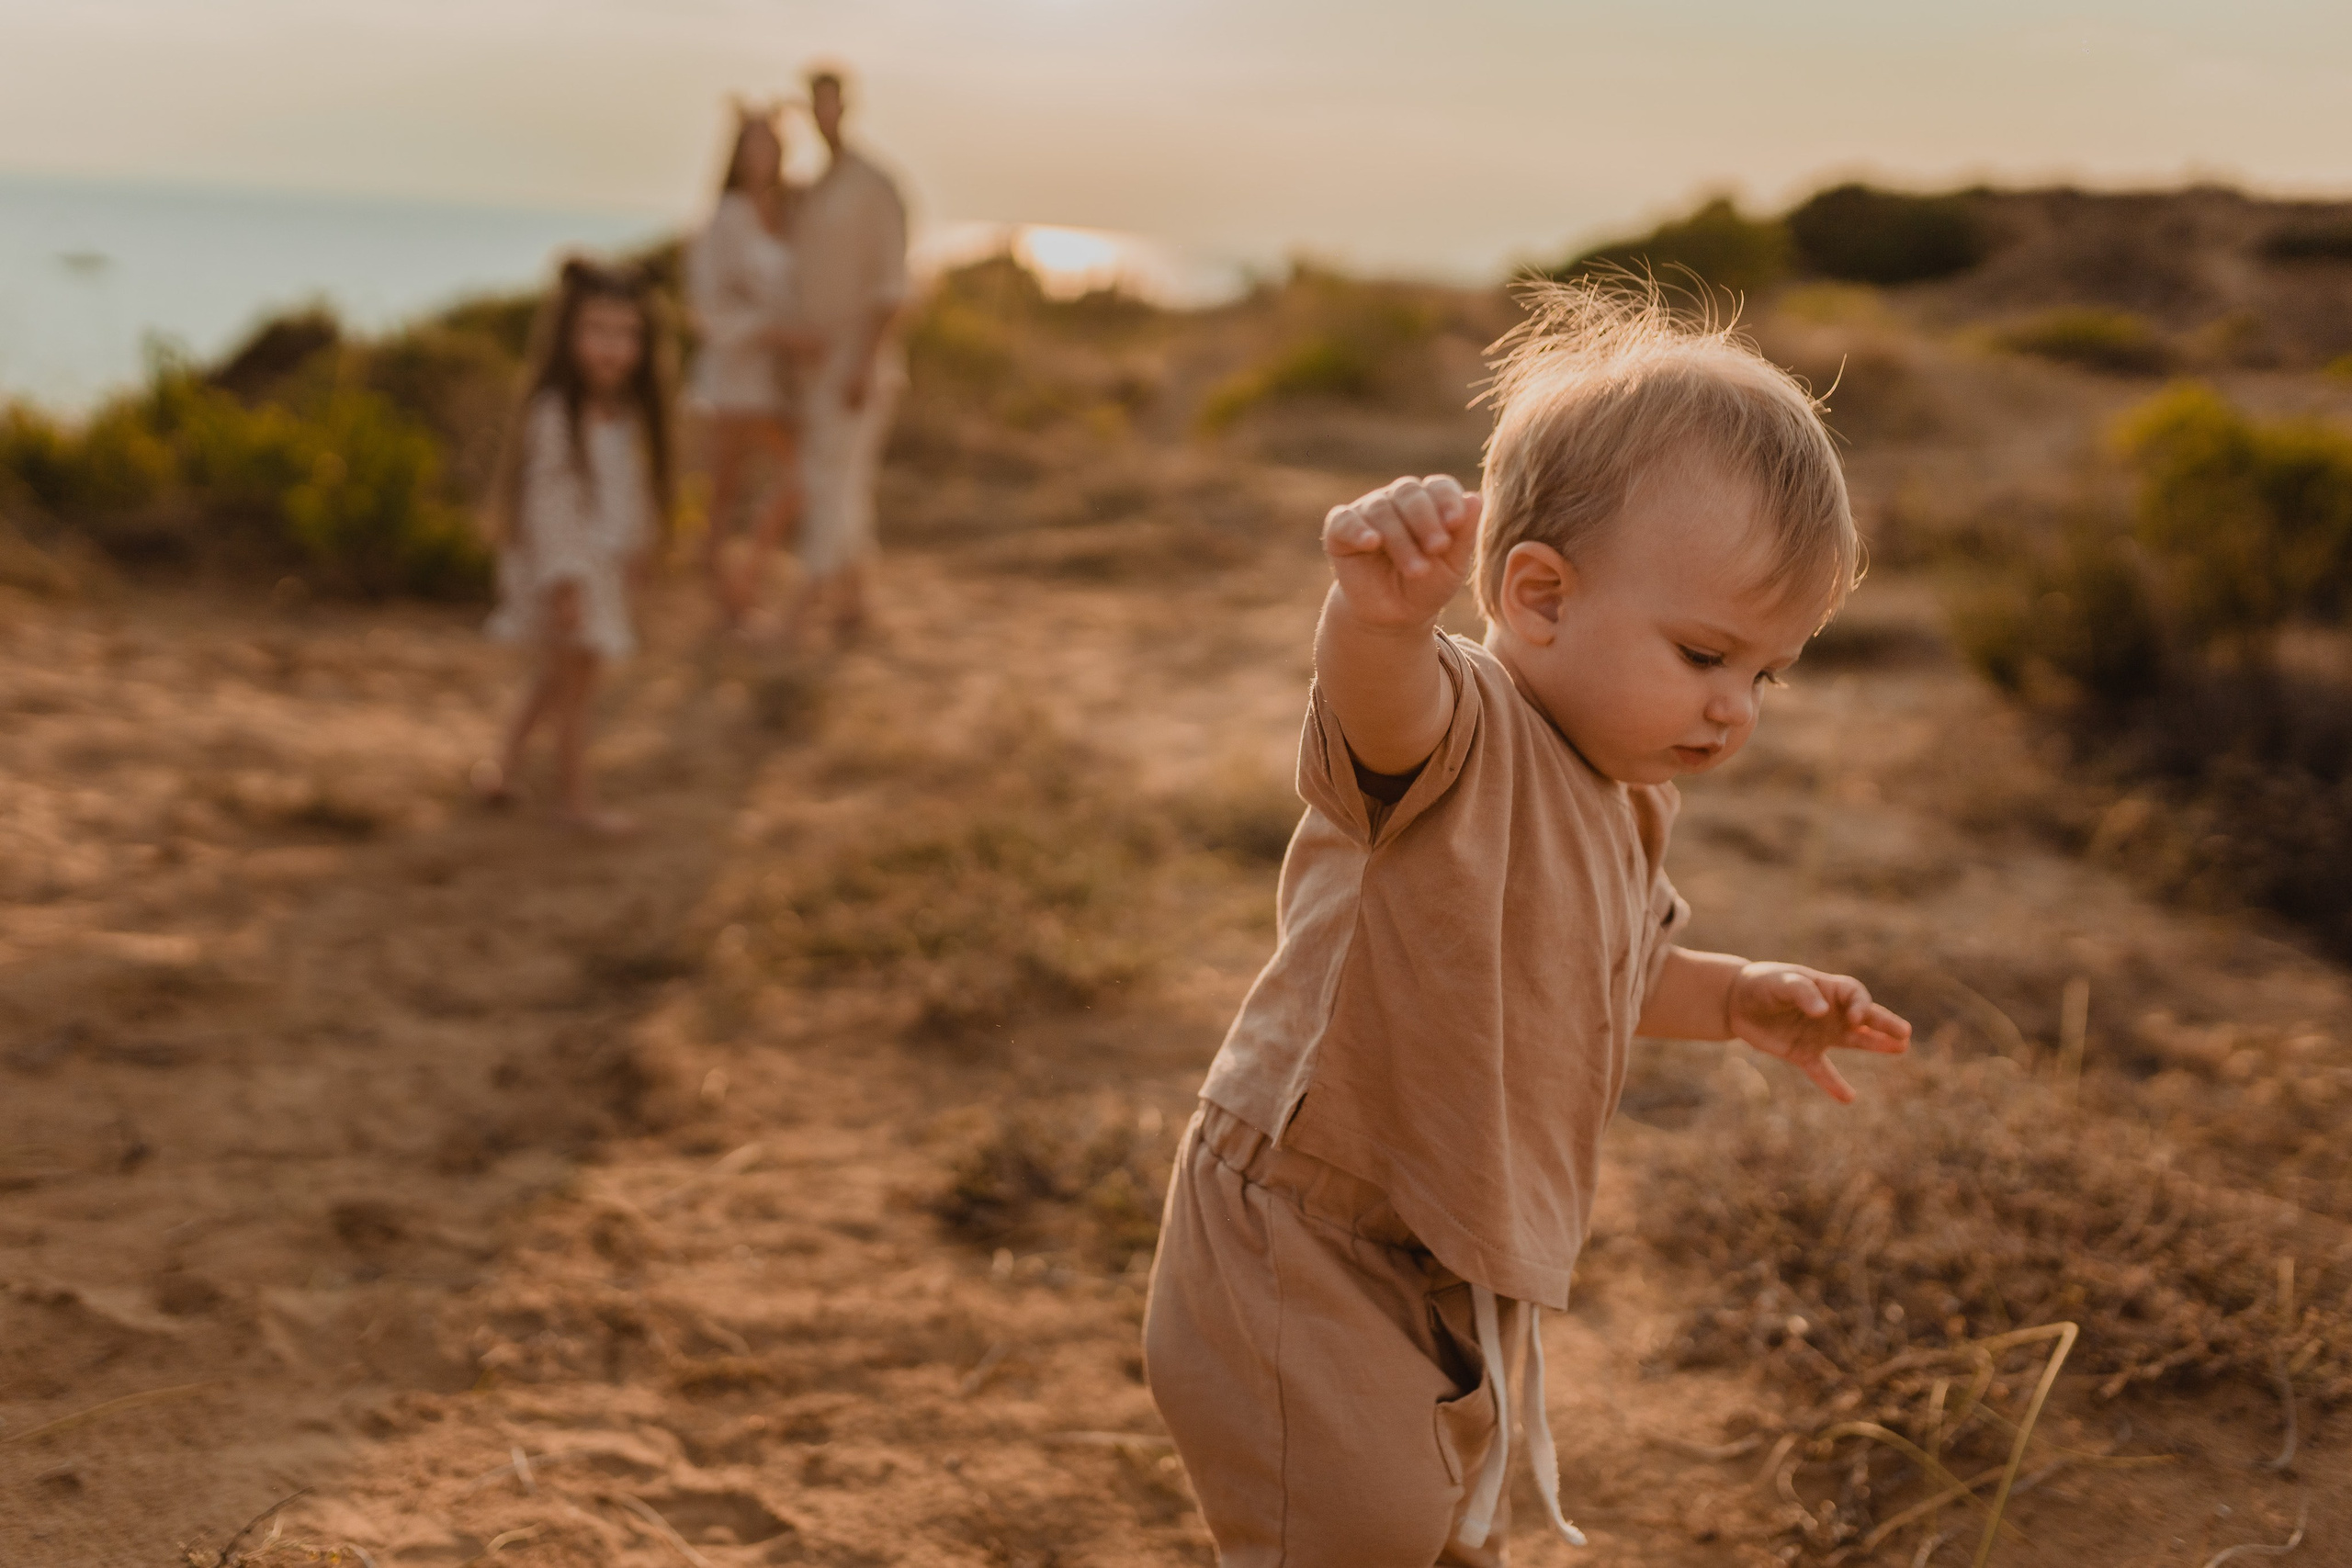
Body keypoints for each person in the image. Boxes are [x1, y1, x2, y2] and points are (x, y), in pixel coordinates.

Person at [1140, 281, 1915, 1566]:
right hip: (1302, 1227)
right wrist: (1382, 614)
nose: (1737, 708)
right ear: (1541, 596)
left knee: (1448, 1519)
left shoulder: (1627, 799)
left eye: (1764, 672)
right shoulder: (1464, 724)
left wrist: (1732, 996)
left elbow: (1612, 968)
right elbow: (1382, 705)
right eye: (1705, 652)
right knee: (1357, 1531)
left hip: (1443, 1242)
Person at [475, 259, 673, 835]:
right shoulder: (555, 414)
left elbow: (628, 491)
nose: (612, 348)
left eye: (627, 334)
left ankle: (502, 766)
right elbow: (548, 503)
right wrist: (564, 580)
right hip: (564, 571)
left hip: (600, 567)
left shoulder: (626, 414)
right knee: (576, 690)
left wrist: (640, 547)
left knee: (555, 680)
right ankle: (574, 799)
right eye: (598, 331)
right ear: (567, 336)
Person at [790, 65, 909, 646]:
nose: (823, 114)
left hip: (856, 359)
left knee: (831, 486)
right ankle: (854, 604)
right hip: (816, 364)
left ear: (846, 107)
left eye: (831, 103)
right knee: (842, 484)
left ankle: (804, 607)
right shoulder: (818, 186)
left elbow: (890, 285)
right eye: (815, 104)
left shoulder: (874, 184)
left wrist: (864, 359)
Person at [684, 104, 804, 631]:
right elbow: (707, 305)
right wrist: (769, 330)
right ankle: (727, 599)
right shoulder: (727, 215)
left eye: (770, 145)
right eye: (753, 145)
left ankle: (745, 578)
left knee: (797, 477)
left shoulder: (789, 212)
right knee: (726, 490)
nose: (762, 155)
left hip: (779, 374)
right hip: (736, 370)